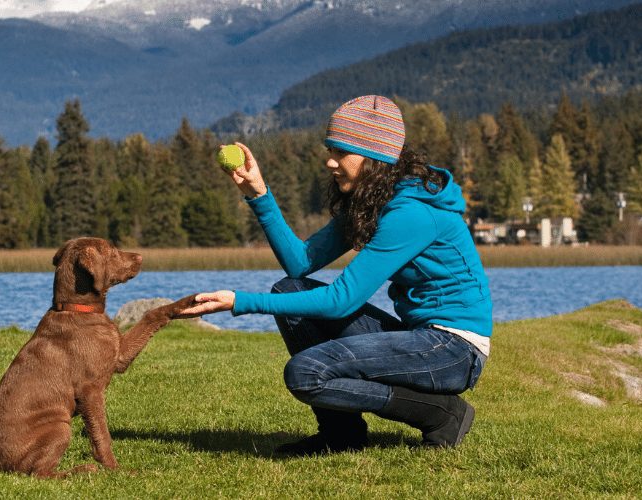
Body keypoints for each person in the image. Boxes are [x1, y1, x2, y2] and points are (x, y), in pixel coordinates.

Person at [180, 95, 492, 455]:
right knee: (290, 292)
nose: (330, 161)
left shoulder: (411, 214)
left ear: (375, 157)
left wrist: (242, 302)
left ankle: (441, 415)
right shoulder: (374, 201)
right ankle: (341, 435)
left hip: (454, 350)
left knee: (305, 374)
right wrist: (258, 193)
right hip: (419, 336)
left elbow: (342, 299)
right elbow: (301, 264)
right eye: (331, 149)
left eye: (341, 152)